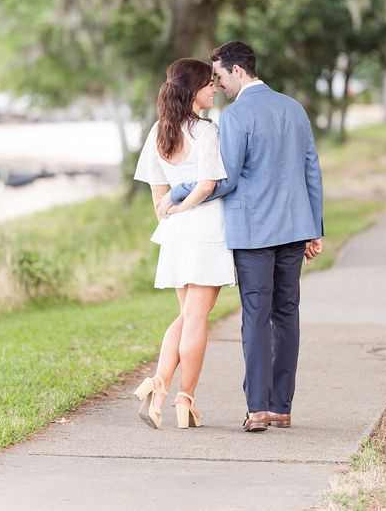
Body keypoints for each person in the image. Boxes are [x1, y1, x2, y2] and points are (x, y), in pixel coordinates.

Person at [158, 41, 324, 432]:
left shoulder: (236, 116)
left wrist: (176, 194)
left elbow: (224, 179)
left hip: (254, 232)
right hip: (296, 228)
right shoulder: (294, 108)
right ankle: (281, 407)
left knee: (256, 315)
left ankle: (258, 409)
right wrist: (315, 229)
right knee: (287, 314)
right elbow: (311, 170)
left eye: (218, 75)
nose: (218, 83)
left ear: (236, 71)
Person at [133, 57, 236, 430]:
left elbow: (157, 192)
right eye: (210, 84)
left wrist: (170, 214)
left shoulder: (160, 130)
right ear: (194, 90)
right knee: (196, 317)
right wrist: (185, 206)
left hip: (176, 235)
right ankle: (183, 397)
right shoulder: (206, 131)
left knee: (185, 315)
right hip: (206, 228)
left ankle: (158, 385)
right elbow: (208, 185)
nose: (215, 88)